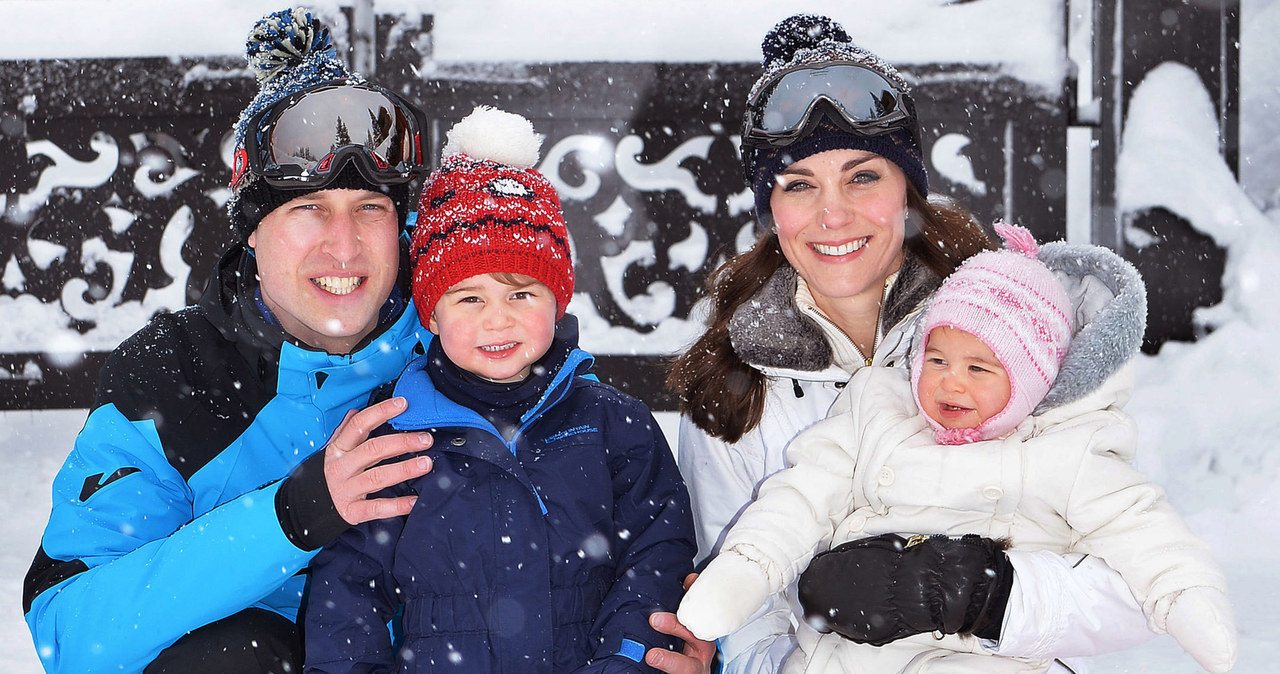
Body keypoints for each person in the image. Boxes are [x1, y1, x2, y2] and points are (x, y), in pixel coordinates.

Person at [663, 12, 1157, 674]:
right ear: (769, 209)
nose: (832, 214)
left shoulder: (1010, 331)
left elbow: (1136, 586)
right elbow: (745, 630)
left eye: (863, 177)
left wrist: (978, 596)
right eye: (799, 185)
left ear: (906, 189)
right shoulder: (734, 390)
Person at [21, 9, 438, 672]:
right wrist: (289, 518)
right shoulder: (174, 374)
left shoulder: (467, 344)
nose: (345, 245)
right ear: (252, 229)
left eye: (370, 209)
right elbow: (73, 631)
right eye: (309, 210)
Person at [675, 223, 1238, 673]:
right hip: (847, 656)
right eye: (937, 361)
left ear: (1032, 379)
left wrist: (1184, 591)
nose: (951, 383)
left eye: (979, 368)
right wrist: (748, 567)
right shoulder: (879, 414)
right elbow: (798, 496)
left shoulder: (1065, 449)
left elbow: (1140, 527)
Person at [302, 106, 697, 673]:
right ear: (432, 315)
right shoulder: (394, 432)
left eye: (521, 295)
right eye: (469, 298)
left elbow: (656, 555)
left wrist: (627, 657)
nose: (497, 320)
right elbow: (349, 591)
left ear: (557, 301)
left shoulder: (615, 425)